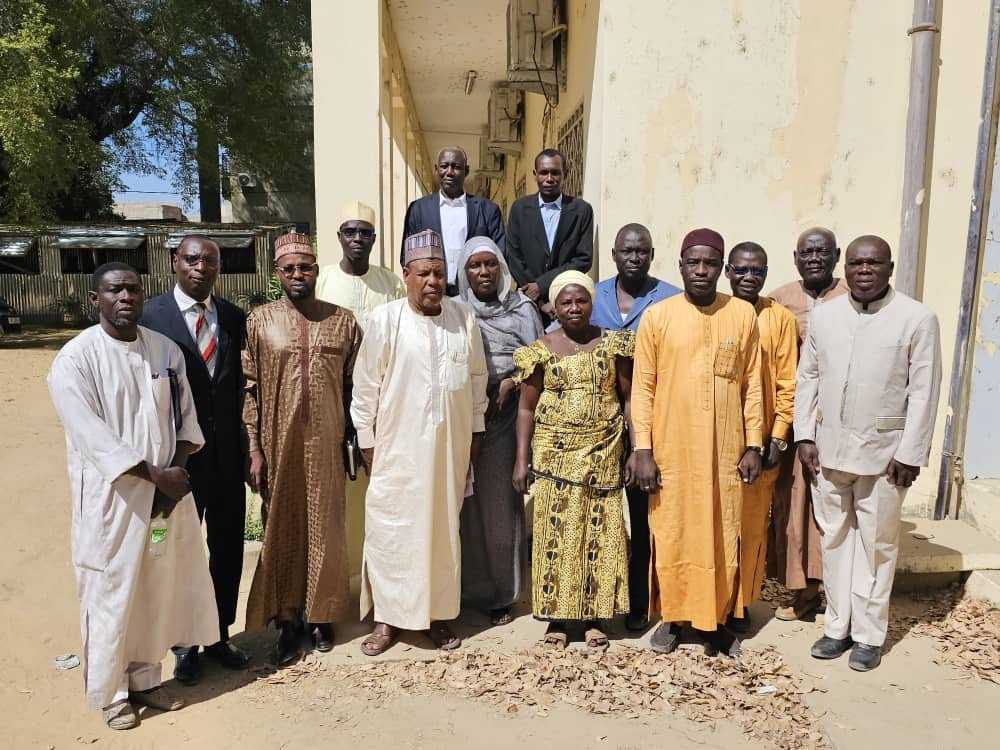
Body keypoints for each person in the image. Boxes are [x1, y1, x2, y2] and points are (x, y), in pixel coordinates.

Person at [48, 263, 218, 729]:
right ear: (94, 299)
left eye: (133, 289)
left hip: (165, 502)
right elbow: (93, 436)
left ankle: (145, 678)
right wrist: (154, 476)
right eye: (114, 289)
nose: (125, 296)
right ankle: (112, 692)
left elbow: (186, 421)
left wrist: (176, 474)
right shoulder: (76, 360)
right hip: (113, 504)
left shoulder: (164, 351)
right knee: (110, 593)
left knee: (154, 589)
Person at [796, 235, 942, 671]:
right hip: (830, 451)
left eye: (873, 263)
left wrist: (910, 453)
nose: (863, 271)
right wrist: (804, 435)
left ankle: (868, 636)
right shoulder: (826, 316)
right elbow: (809, 377)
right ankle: (836, 627)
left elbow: (924, 392)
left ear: (889, 268)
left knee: (877, 546)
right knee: (835, 540)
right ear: (846, 267)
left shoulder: (916, 318)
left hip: (885, 457)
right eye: (856, 263)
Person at [352, 228, 488, 655]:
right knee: (392, 532)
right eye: (424, 273)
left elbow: (477, 381)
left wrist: (475, 438)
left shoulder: (463, 316)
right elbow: (365, 390)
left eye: (439, 273)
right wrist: (368, 445)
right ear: (406, 275)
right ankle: (388, 620)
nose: (432, 282)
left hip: (449, 450)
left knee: (444, 533)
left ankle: (438, 616)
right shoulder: (386, 320)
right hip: (397, 451)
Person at [631, 228, 764, 657]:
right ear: (682, 266)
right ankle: (673, 617)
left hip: (725, 451)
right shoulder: (658, 317)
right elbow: (643, 388)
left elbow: (752, 387)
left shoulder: (742, 315)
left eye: (710, 263)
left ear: (721, 269)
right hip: (671, 450)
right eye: (694, 262)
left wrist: (754, 445)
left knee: (722, 532)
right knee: (671, 531)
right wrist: (643, 449)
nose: (702, 271)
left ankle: (717, 622)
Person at [242, 232, 362, 666]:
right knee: (283, 526)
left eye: (305, 267)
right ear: (277, 273)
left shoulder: (344, 322)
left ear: (316, 270)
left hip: (327, 444)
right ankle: (288, 622)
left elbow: (355, 390)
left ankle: (322, 617)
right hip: (279, 444)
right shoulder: (259, 322)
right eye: (289, 268)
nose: (298, 274)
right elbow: (250, 391)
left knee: (327, 527)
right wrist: (254, 447)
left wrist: (354, 439)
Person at [139, 235, 251, 685]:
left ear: (218, 268)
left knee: (227, 549)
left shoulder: (233, 317)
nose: (200, 267)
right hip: (176, 463)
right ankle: (183, 643)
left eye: (209, 260)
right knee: (176, 551)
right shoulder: (150, 318)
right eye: (191, 259)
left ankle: (218, 634)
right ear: (174, 263)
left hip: (226, 459)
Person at [512, 270, 634, 650]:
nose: (574, 307)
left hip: (603, 453)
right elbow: (526, 410)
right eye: (566, 301)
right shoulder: (540, 349)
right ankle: (559, 621)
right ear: (555, 306)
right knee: (556, 535)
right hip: (555, 458)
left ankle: (597, 616)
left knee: (600, 533)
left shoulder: (613, 345)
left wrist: (637, 448)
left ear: (591, 302)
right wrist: (521, 460)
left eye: (581, 299)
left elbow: (629, 399)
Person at [589, 223, 680, 632]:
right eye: (627, 251)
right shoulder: (594, 296)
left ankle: (642, 601)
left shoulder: (671, 299)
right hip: (599, 427)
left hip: (652, 424)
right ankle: (597, 599)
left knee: (645, 517)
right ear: (613, 254)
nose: (635, 258)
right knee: (603, 517)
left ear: (652, 254)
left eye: (642, 251)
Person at [456, 236, 544, 626]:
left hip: (507, 417)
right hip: (462, 417)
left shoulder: (522, 308)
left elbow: (539, 359)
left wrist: (512, 380)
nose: (484, 272)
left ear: (503, 269)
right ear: (464, 272)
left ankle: (502, 594)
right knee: (464, 506)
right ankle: (464, 590)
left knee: (499, 507)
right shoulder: (455, 311)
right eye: (475, 266)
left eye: (491, 264)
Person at [767, 226, 849, 620]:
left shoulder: (854, 297)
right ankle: (802, 590)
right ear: (796, 258)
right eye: (806, 252)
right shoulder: (779, 300)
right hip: (794, 419)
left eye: (822, 251)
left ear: (836, 256)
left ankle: (839, 591)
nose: (813, 258)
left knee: (836, 506)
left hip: (842, 421)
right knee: (794, 504)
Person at [724, 242, 797, 632]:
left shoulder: (779, 318)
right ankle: (713, 600)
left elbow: (788, 382)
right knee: (718, 524)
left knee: (751, 528)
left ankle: (741, 604)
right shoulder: (715, 311)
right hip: (716, 438)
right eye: (742, 270)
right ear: (728, 272)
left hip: (762, 441)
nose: (749, 278)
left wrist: (779, 436)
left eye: (758, 271)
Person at [399, 146, 505, 295]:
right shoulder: (419, 209)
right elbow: (407, 256)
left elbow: (500, 253)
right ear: (436, 170)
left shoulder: (487, 209)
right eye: (444, 166)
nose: (449, 172)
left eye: (456, 167)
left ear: (466, 171)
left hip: (474, 297)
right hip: (433, 295)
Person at [506, 148, 594, 321]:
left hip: (568, 304)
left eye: (555, 173)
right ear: (535, 174)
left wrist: (543, 286)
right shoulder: (519, 209)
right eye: (543, 172)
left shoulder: (581, 210)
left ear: (565, 174)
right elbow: (514, 257)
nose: (549, 179)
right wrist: (537, 298)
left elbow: (583, 259)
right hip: (529, 304)